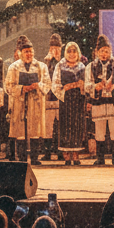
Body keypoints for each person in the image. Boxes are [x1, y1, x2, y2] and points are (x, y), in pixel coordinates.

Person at [5, 36, 52, 166]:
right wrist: (22, 88)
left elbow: (47, 84)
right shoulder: (13, 68)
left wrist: (37, 86)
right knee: (20, 131)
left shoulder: (41, 66)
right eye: (26, 52)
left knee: (35, 130)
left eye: (31, 51)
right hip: (20, 102)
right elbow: (8, 86)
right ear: (20, 53)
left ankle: (35, 157)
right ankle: (22, 157)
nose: (29, 54)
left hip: (36, 102)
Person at [85, 35, 114, 166]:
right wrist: (96, 87)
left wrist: (113, 86)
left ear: (110, 52)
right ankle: (100, 158)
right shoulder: (91, 66)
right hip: (99, 103)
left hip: (112, 102)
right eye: (101, 51)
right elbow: (87, 84)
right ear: (97, 52)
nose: (104, 54)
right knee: (99, 131)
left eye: (106, 51)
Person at [53, 41, 89, 167]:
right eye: (69, 51)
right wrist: (66, 88)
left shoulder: (82, 67)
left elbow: (87, 83)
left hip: (78, 100)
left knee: (77, 126)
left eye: (74, 51)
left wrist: (82, 86)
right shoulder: (60, 66)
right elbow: (55, 85)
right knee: (65, 126)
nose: (72, 54)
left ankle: (76, 154)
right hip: (66, 100)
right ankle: (67, 155)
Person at [43, 34, 64, 162]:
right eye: (52, 48)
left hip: (61, 98)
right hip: (49, 98)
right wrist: (49, 61)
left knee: (60, 127)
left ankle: (61, 152)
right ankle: (47, 152)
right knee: (48, 128)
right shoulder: (46, 62)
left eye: (57, 48)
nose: (55, 50)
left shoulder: (63, 61)